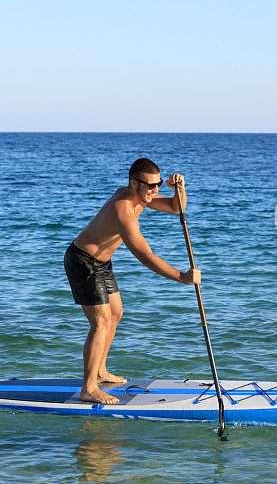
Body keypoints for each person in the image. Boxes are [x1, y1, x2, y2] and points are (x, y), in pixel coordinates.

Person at [64, 158, 201, 405]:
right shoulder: (123, 209)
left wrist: (180, 188)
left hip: (101, 263)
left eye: (158, 184)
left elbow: (175, 208)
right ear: (133, 183)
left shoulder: (141, 197)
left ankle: (101, 371)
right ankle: (89, 388)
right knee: (101, 323)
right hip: (82, 261)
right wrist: (181, 276)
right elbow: (145, 255)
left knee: (116, 314)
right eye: (150, 186)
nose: (155, 191)